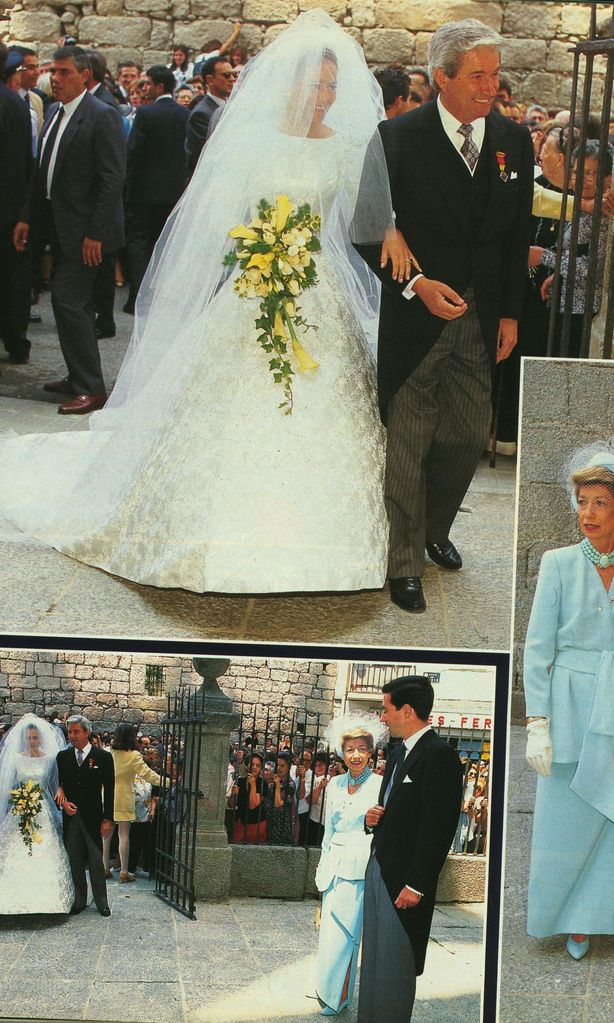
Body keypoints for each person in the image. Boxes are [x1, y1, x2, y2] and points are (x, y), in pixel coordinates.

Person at [0, 10, 392, 596]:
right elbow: (216, 214)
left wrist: (392, 231)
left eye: (333, 85)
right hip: (254, 279)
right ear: (291, 84)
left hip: (316, 286)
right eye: (317, 83)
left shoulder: (346, 147)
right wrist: (256, 249)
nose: (326, 96)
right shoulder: (254, 136)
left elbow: (367, 218)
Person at [353, 18, 534, 614]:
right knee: (408, 439)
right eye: (478, 75)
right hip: (416, 319)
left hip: (482, 322)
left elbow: (513, 239)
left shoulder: (513, 139)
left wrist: (509, 312)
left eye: (495, 74)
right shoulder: (395, 138)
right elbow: (364, 230)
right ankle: (404, 562)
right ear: (442, 78)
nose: (491, 86)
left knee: (462, 436)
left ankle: (434, 529)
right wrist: (418, 287)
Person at [524, 446, 614, 960]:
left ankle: (604, 912)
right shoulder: (557, 563)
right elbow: (538, 648)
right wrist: (539, 723)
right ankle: (573, 921)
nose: (588, 514)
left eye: (600, 502)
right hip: (571, 704)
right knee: (568, 818)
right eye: (582, 501)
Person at [12, 45, 126, 414]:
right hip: (58, 227)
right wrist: (27, 216)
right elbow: (41, 170)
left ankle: (91, 387)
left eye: (63, 73)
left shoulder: (101, 116)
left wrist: (97, 233)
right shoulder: (54, 113)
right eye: (53, 72)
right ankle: (78, 376)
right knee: (70, 304)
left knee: (67, 301)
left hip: (86, 233)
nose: (54, 79)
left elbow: (112, 180)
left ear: (85, 76)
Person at [357, 676, 462, 1023]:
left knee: (394, 966)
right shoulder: (398, 751)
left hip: (404, 881)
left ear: (407, 710)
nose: (382, 718)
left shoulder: (440, 756)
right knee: (373, 963)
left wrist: (416, 884)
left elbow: (439, 828)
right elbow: (396, 810)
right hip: (379, 867)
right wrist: (374, 817)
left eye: (386, 710)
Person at [315, 717, 387, 1016]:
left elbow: (386, 829)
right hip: (333, 865)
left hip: (361, 867)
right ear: (341, 753)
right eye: (349, 749)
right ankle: (324, 989)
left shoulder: (381, 785)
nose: (355, 755)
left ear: (371, 752)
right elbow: (328, 831)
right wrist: (322, 867)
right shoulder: (334, 783)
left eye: (361, 749)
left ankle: (338, 997)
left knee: (348, 935)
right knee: (329, 933)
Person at [123, 65, 189, 314]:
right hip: (173, 191)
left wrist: (129, 188)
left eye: (148, 84)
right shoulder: (185, 114)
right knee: (165, 243)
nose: (144, 88)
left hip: (144, 191)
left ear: (160, 86)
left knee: (139, 242)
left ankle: (138, 297)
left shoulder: (146, 114)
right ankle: (163, 297)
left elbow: (135, 153)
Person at [0, 714, 74, 914]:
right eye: (28, 738)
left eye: (35, 738)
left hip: (42, 808)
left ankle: (49, 899)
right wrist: (18, 796)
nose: (31, 741)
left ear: (40, 738)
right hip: (20, 808)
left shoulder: (49, 759)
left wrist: (61, 793)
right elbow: (9, 783)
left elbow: (55, 784)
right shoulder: (16, 758)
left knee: (45, 844)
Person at [56, 714, 115, 916]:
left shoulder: (103, 757)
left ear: (87, 732)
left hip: (93, 818)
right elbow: (58, 786)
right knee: (75, 859)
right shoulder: (62, 757)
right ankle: (80, 900)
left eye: (76, 732)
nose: (72, 736)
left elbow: (110, 790)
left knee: (96, 861)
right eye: (69, 732)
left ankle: (102, 902)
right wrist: (63, 803)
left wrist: (108, 819)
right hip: (71, 818)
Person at [0, 42, 33, 367]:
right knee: (12, 282)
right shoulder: (17, 104)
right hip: (11, 210)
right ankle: (16, 341)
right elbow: (28, 162)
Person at [102, 722, 161, 882]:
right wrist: (168, 782)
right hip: (125, 796)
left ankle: (105, 868)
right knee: (124, 834)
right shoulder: (134, 755)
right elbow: (149, 776)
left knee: (106, 834)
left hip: (107, 795)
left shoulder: (107, 751)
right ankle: (124, 871)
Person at [185, 55, 237, 175]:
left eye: (234, 75)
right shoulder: (201, 113)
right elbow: (205, 154)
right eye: (226, 75)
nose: (232, 79)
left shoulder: (232, 106)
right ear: (210, 80)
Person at [232, 750, 268, 844]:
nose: (254, 767)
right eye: (252, 764)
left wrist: (253, 785)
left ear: (261, 768)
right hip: (241, 823)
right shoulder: (240, 781)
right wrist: (234, 794)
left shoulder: (263, 783)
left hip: (257, 825)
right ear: (247, 765)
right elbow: (232, 804)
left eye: (258, 765)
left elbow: (253, 805)